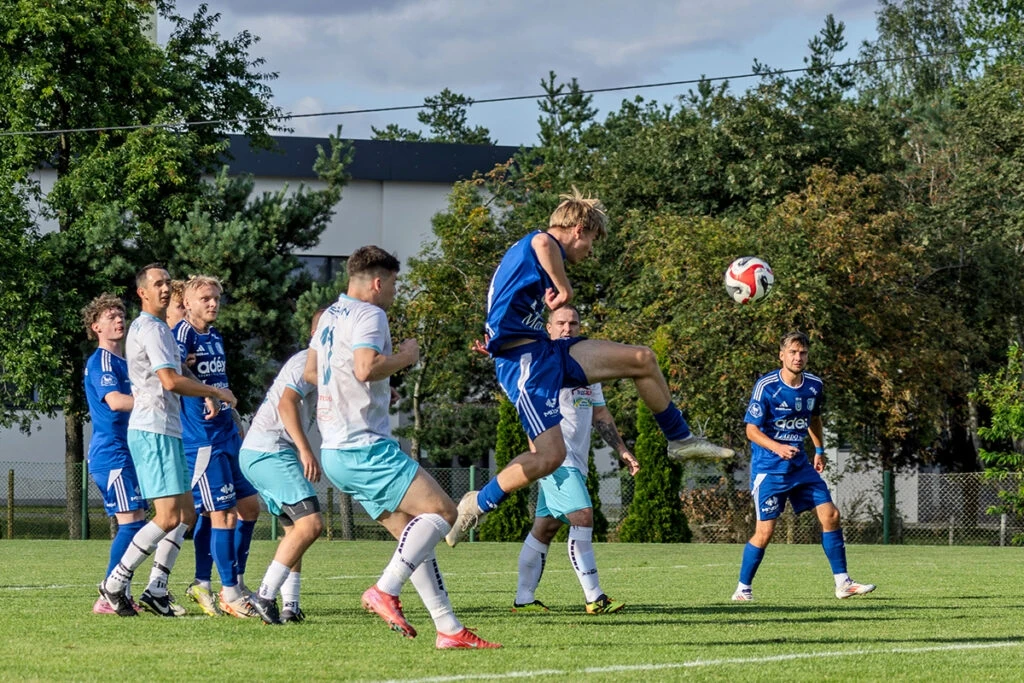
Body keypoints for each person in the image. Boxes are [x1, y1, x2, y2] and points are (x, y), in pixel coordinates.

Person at [446, 188, 733, 547]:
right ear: (579, 229)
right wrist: (564, 289)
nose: (591, 251)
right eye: (593, 240)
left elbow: (509, 309)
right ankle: (477, 503)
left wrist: (528, 314)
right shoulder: (541, 242)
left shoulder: (534, 262)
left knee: (643, 359)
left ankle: (680, 439)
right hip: (525, 367)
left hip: (546, 351)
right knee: (550, 457)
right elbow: (543, 242)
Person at [303, 245, 500, 648]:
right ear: (378, 282)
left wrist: (373, 391)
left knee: (414, 536)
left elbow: (312, 371)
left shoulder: (330, 316)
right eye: (393, 283)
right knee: (443, 513)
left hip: (335, 449)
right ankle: (385, 589)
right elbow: (366, 367)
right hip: (363, 445)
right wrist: (406, 356)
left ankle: (448, 628)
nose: (394, 292)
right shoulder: (370, 314)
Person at [100, 263, 236, 617]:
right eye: (157, 284)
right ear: (142, 292)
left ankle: (157, 588)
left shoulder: (160, 328)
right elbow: (170, 381)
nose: (164, 288)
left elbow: (179, 370)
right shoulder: (150, 328)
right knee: (166, 517)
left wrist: (202, 390)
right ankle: (114, 582)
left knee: (186, 513)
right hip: (153, 429)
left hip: (168, 428)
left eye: (167, 283)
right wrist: (214, 391)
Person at [512, 305, 640, 615]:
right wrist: (541, 454)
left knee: (545, 528)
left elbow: (600, 414)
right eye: (561, 323)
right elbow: (528, 407)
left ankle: (524, 599)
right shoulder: (542, 364)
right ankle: (595, 598)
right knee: (582, 515)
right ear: (549, 328)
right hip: (556, 459)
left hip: (576, 462)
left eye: (573, 323)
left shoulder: (585, 368)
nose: (567, 328)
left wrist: (622, 449)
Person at [731, 331, 876, 602]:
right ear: (782, 355)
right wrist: (777, 447)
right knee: (765, 532)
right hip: (770, 470)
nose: (798, 357)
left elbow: (814, 418)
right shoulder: (766, 386)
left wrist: (819, 449)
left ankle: (843, 583)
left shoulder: (814, 385)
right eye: (793, 352)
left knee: (831, 515)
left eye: (803, 353)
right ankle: (742, 589)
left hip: (800, 468)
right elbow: (751, 430)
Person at [173, 274, 260, 619]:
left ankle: (233, 581)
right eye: (205, 298)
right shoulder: (182, 333)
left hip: (226, 432)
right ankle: (228, 592)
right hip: (202, 439)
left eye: (216, 298)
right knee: (220, 513)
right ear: (187, 303)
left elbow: (219, 381)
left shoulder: (214, 336)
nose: (212, 304)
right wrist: (207, 392)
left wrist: (234, 416)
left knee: (249, 507)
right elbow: (173, 371)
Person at [242, 310, 327, 625]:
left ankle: (291, 605)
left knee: (295, 531)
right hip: (271, 450)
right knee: (311, 524)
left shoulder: (324, 363)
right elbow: (286, 402)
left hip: (260, 451)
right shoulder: (306, 360)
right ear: (317, 334)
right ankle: (264, 595)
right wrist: (305, 449)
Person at [82, 294, 147, 615]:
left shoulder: (125, 362)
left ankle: (121, 593)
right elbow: (117, 402)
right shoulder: (102, 362)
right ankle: (110, 593)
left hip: (128, 452)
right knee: (132, 524)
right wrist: (155, 400)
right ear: (96, 327)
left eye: (121, 314)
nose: (119, 320)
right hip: (112, 454)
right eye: (110, 317)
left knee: (138, 522)